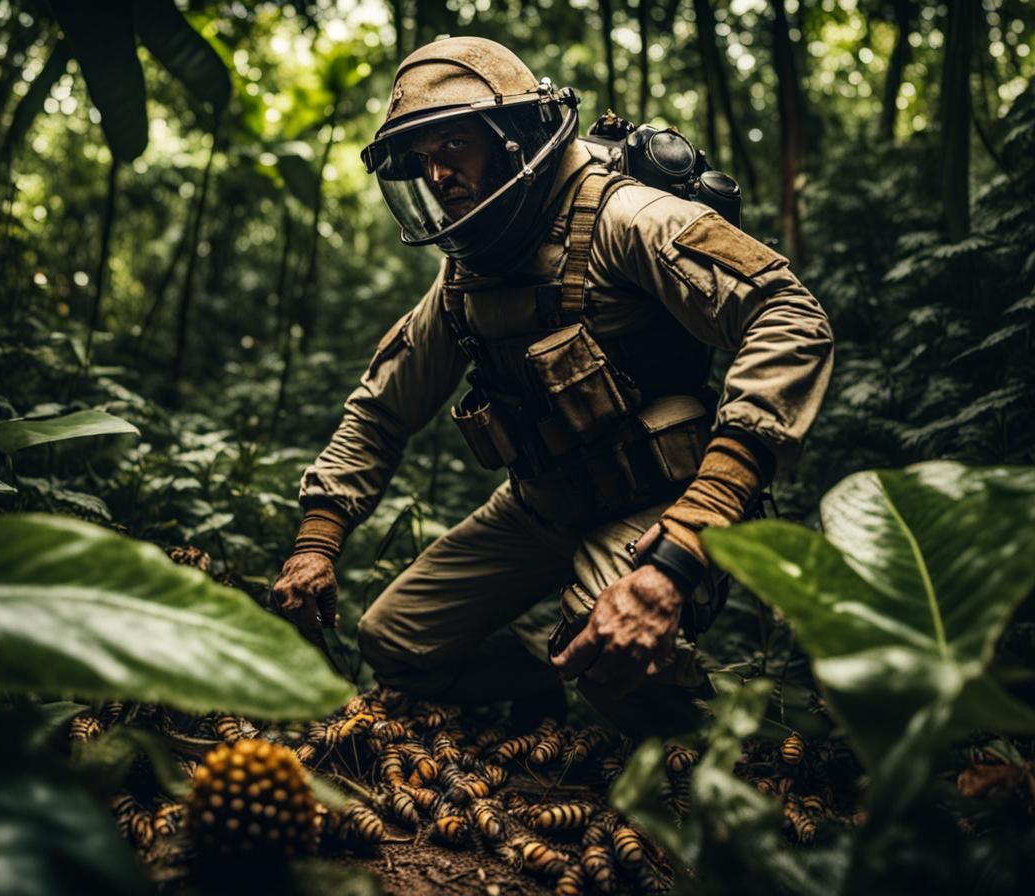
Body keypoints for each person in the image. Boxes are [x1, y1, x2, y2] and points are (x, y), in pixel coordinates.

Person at [270, 37, 833, 736]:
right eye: (424, 161)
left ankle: (734, 754)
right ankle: (544, 687)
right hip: (543, 503)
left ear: (511, 139)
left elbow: (787, 312)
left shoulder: (628, 218)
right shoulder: (465, 278)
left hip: (667, 500)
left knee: (609, 656)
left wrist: (694, 529)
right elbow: (383, 410)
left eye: (453, 146)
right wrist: (317, 542)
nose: (438, 175)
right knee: (394, 642)